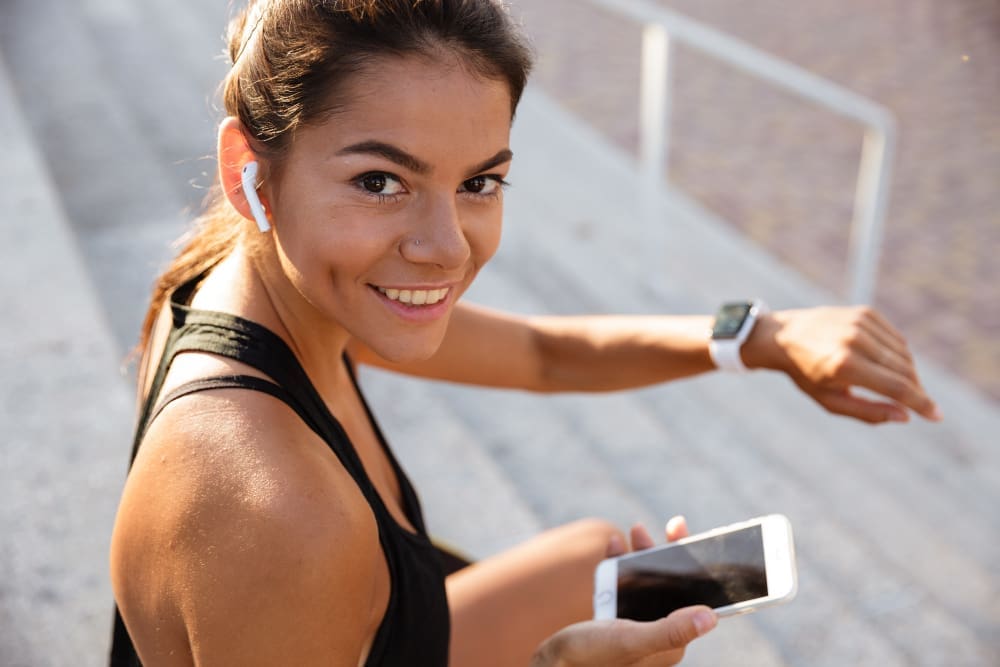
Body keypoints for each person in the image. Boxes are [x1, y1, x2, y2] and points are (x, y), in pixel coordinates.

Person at [108, 1, 941, 665]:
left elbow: (542, 355)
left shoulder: (266, 278)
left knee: (598, 565)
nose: (447, 247)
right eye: (380, 180)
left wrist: (760, 335)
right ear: (245, 168)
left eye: (480, 181)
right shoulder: (272, 509)